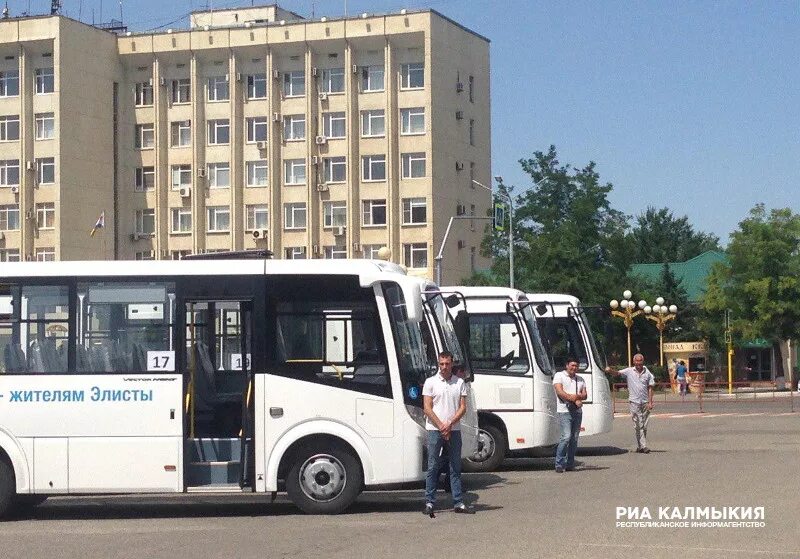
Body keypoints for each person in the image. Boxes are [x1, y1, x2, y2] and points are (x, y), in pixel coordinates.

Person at [423, 351, 470, 515]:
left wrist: (449, 423)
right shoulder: (430, 382)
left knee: (455, 467)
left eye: (447, 364)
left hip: (454, 430)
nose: (444, 367)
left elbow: (463, 407)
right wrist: (441, 425)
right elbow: (427, 408)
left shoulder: (460, 383)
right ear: (438, 364)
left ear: (452, 364)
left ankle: (458, 502)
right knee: (433, 466)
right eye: (441, 364)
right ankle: (429, 502)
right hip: (435, 430)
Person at [606, 353, 655, 453]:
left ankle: (640, 446)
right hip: (634, 402)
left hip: (645, 402)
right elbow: (617, 373)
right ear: (633, 362)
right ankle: (643, 446)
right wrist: (610, 371)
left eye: (640, 362)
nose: (638, 364)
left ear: (643, 361)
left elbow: (650, 387)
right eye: (636, 362)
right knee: (638, 424)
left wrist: (650, 402)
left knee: (644, 425)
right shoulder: (629, 371)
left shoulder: (647, 372)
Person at [552, 357, 587, 473]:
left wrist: (576, 398)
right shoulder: (559, 376)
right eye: (572, 365)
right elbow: (559, 392)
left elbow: (585, 395)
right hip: (564, 411)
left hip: (577, 412)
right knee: (566, 437)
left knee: (574, 438)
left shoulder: (580, 379)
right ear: (567, 365)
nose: (574, 368)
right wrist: (574, 398)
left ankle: (570, 464)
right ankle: (559, 463)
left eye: (576, 366)